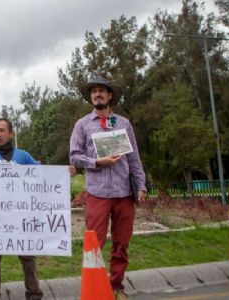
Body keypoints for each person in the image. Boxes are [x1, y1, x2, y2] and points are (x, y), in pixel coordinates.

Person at [69, 77, 146, 300]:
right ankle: (94, 288)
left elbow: (134, 160)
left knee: (121, 244)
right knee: (94, 242)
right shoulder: (82, 125)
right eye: (94, 92)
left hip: (124, 193)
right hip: (97, 193)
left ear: (110, 95)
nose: (97, 95)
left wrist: (140, 185)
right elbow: (74, 156)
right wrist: (96, 162)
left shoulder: (124, 123)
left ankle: (116, 286)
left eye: (101, 91)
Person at [0, 118, 45, 300]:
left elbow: (43, 174)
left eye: (2, 130)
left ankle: (34, 293)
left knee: (27, 255)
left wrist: (65, 172)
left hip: (20, 216)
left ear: (10, 133)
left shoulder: (23, 156)